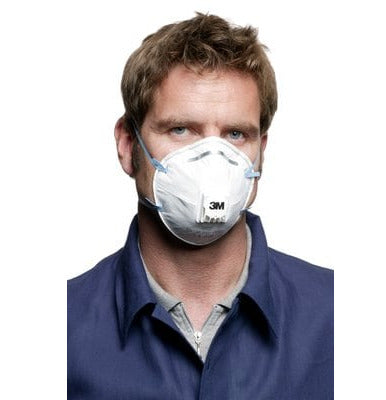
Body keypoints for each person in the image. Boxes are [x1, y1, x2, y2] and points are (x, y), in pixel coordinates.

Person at [67, 13, 333, 399]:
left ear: (261, 152)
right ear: (127, 145)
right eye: (181, 129)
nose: (213, 159)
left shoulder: (335, 316)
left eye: (236, 134)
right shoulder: (62, 327)